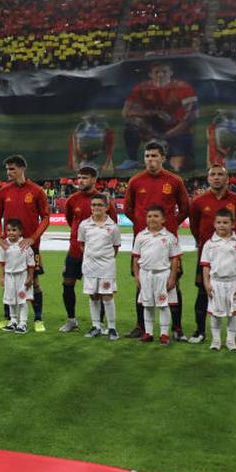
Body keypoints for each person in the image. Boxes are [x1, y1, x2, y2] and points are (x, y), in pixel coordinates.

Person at [123, 141, 190, 340]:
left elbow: (184, 208)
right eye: (147, 156)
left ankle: (177, 328)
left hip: (167, 243)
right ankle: (141, 327)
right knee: (140, 283)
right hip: (143, 242)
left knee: (173, 283)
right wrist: (142, 227)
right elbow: (128, 209)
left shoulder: (175, 181)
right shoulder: (135, 181)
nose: (150, 159)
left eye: (154, 156)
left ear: (163, 158)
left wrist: (170, 225)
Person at [187, 164, 236, 345]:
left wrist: (230, 245)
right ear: (208, 179)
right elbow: (194, 227)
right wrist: (208, 245)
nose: (216, 177)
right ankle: (200, 331)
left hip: (231, 255)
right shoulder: (199, 202)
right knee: (203, 292)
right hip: (207, 255)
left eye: (220, 174)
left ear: (227, 178)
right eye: (213, 174)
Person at [0, 155, 49, 331]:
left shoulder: (36, 191)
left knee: (34, 282)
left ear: (22, 169)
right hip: (10, 247)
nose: (8, 172)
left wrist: (33, 238)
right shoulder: (3, 192)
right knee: (9, 281)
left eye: (12, 169)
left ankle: (38, 319)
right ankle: (9, 319)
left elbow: (46, 217)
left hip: (30, 247)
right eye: (7, 169)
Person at [60, 166, 118, 332]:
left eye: (85, 178)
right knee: (67, 283)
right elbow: (71, 221)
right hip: (75, 251)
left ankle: (99, 323)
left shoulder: (104, 201)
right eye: (79, 177)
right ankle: (71, 320)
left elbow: (112, 226)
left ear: (94, 180)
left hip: (97, 254)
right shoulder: (72, 200)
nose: (80, 180)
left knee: (100, 289)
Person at [118, 61, 198, 172]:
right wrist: (154, 113)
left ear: (171, 73)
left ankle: (170, 156)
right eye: (156, 72)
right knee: (132, 123)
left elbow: (192, 116)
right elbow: (126, 112)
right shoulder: (141, 87)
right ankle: (132, 159)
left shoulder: (183, 87)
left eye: (164, 71)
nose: (160, 75)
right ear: (150, 74)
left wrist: (169, 134)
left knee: (180, 167)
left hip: (178, 129)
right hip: (152, 129)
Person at [199, 209, 236, 351]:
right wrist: (206, 283)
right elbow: (206, 266)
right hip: (216, 283)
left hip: (233, 282)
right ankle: (216, 340)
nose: (222, 225)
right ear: (214, 224)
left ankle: (230, 341)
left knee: (233, 313)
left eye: (225, 222)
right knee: (215, 313)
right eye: (219, 222)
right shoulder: (209, 244)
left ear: (232, 224)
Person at [132, 205, 182, 345]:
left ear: (163, 219)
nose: (152, 219)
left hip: (163, 274)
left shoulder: (169, 237)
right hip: (145, 274)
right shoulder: (141, 236)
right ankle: (148, 333)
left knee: (163, 304)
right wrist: (137, 276)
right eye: (149, 216)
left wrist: (173, 277)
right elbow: (136, 258)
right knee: (147, 305)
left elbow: (174, 259)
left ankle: (164, 334)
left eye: (156, 216)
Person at [77, 194, 121, 340]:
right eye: (94, 205)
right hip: (90, 266)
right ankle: (96, 326)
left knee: (107, 295)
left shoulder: (113, 227)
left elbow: (115, 247)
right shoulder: (84, 225)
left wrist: (104, 258)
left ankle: (112, 328)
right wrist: (91, 257)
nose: (96, 207)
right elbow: (82, 245)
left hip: (106, 267)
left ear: (106, 207)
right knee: (93, 295)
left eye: (100, 205)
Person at [0, 219, 36, 334]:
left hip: (22, 276)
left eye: (14, 230)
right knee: (11, 300)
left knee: (22, 300)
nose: (11, 232)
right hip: (9, 277)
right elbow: (2, 262)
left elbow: (31, 264)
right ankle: (13, 321)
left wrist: (30, 277)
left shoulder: (25, 245)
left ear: (20, 232)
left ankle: (23, 323)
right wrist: (2, 277)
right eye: (8, 230)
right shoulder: (4, 245)